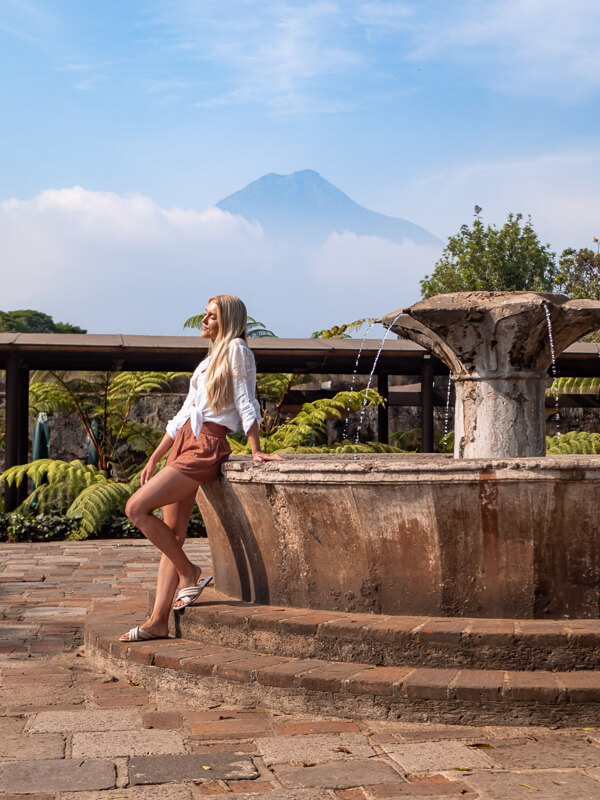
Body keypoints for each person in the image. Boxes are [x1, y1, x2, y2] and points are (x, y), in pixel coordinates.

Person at [119, 295, 282, 642]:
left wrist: (255, 449)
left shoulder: (238, 350)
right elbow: (182, 415)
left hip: (206, 445)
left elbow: (245, 400)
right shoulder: (208, 361)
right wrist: (154, 456)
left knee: (135, 508)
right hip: (183, 443)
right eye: (205, 316)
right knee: (172, 534)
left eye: (211, 317)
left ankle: (189, 571)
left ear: (228, 321)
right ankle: (158, 622)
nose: (204, 322)